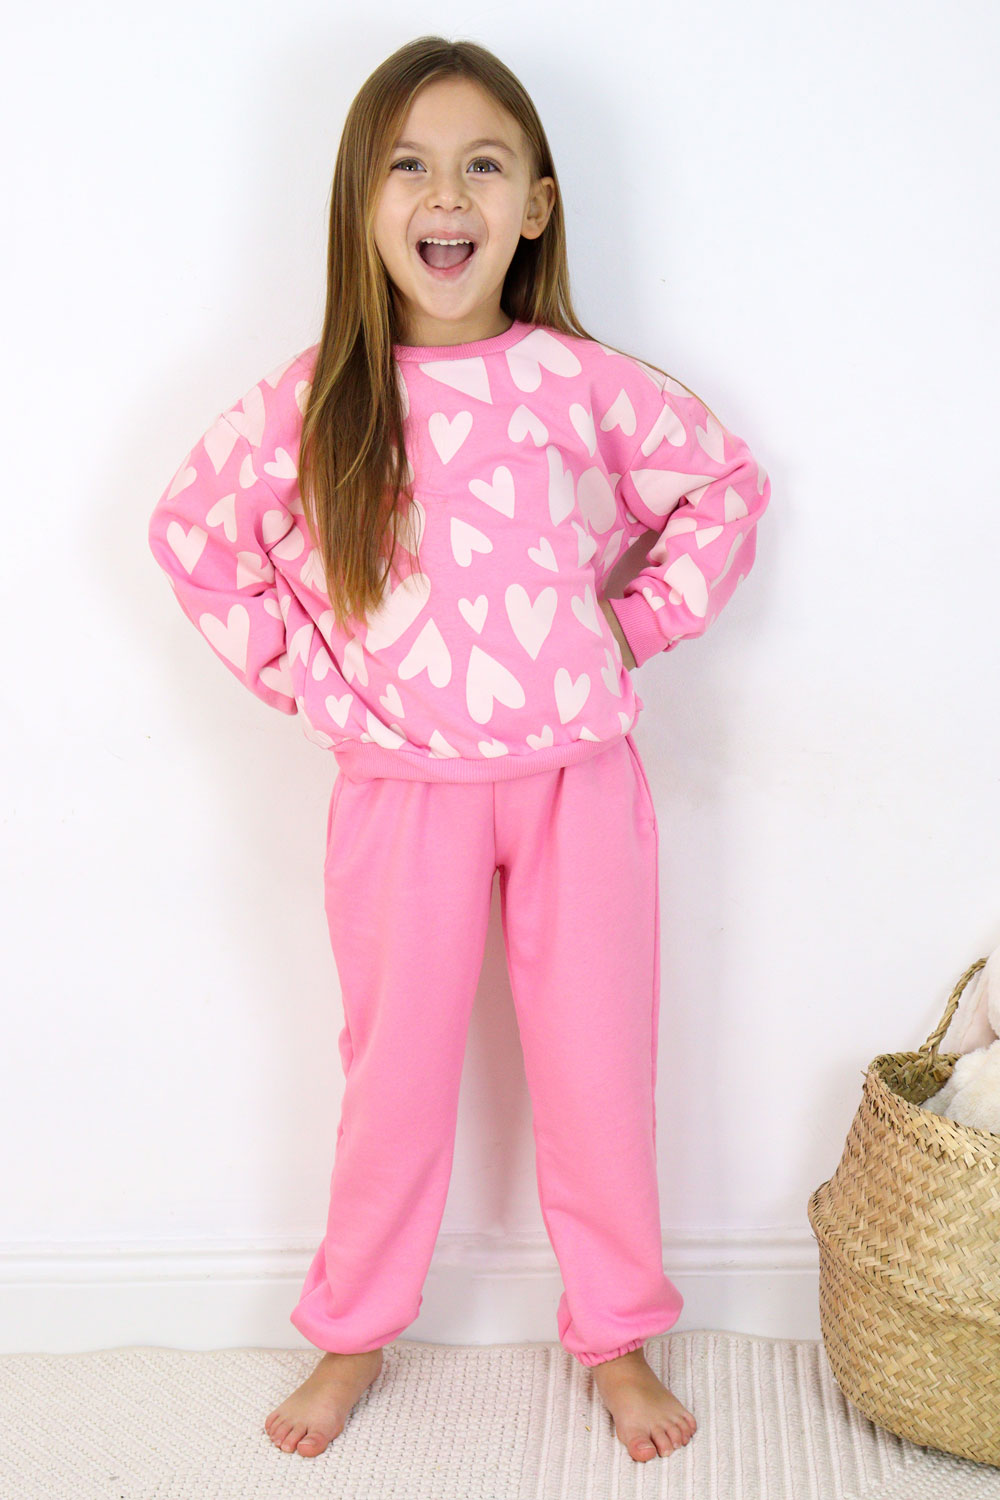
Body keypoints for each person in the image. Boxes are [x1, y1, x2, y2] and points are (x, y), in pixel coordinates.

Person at [147, 33, 771, 1466]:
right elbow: (191, 532)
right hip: (400, 796)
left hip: (577, 782)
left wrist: (636, 625)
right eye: (409, 167)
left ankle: (618, 1333)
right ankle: (354, 1329)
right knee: (396, 1082)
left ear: (535, 206)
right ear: (362, 206)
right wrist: (309, 680)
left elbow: (725, 488)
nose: (446, 195)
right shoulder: (318, 396)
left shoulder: (576, 381)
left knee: (598, 1074)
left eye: (483, 165)